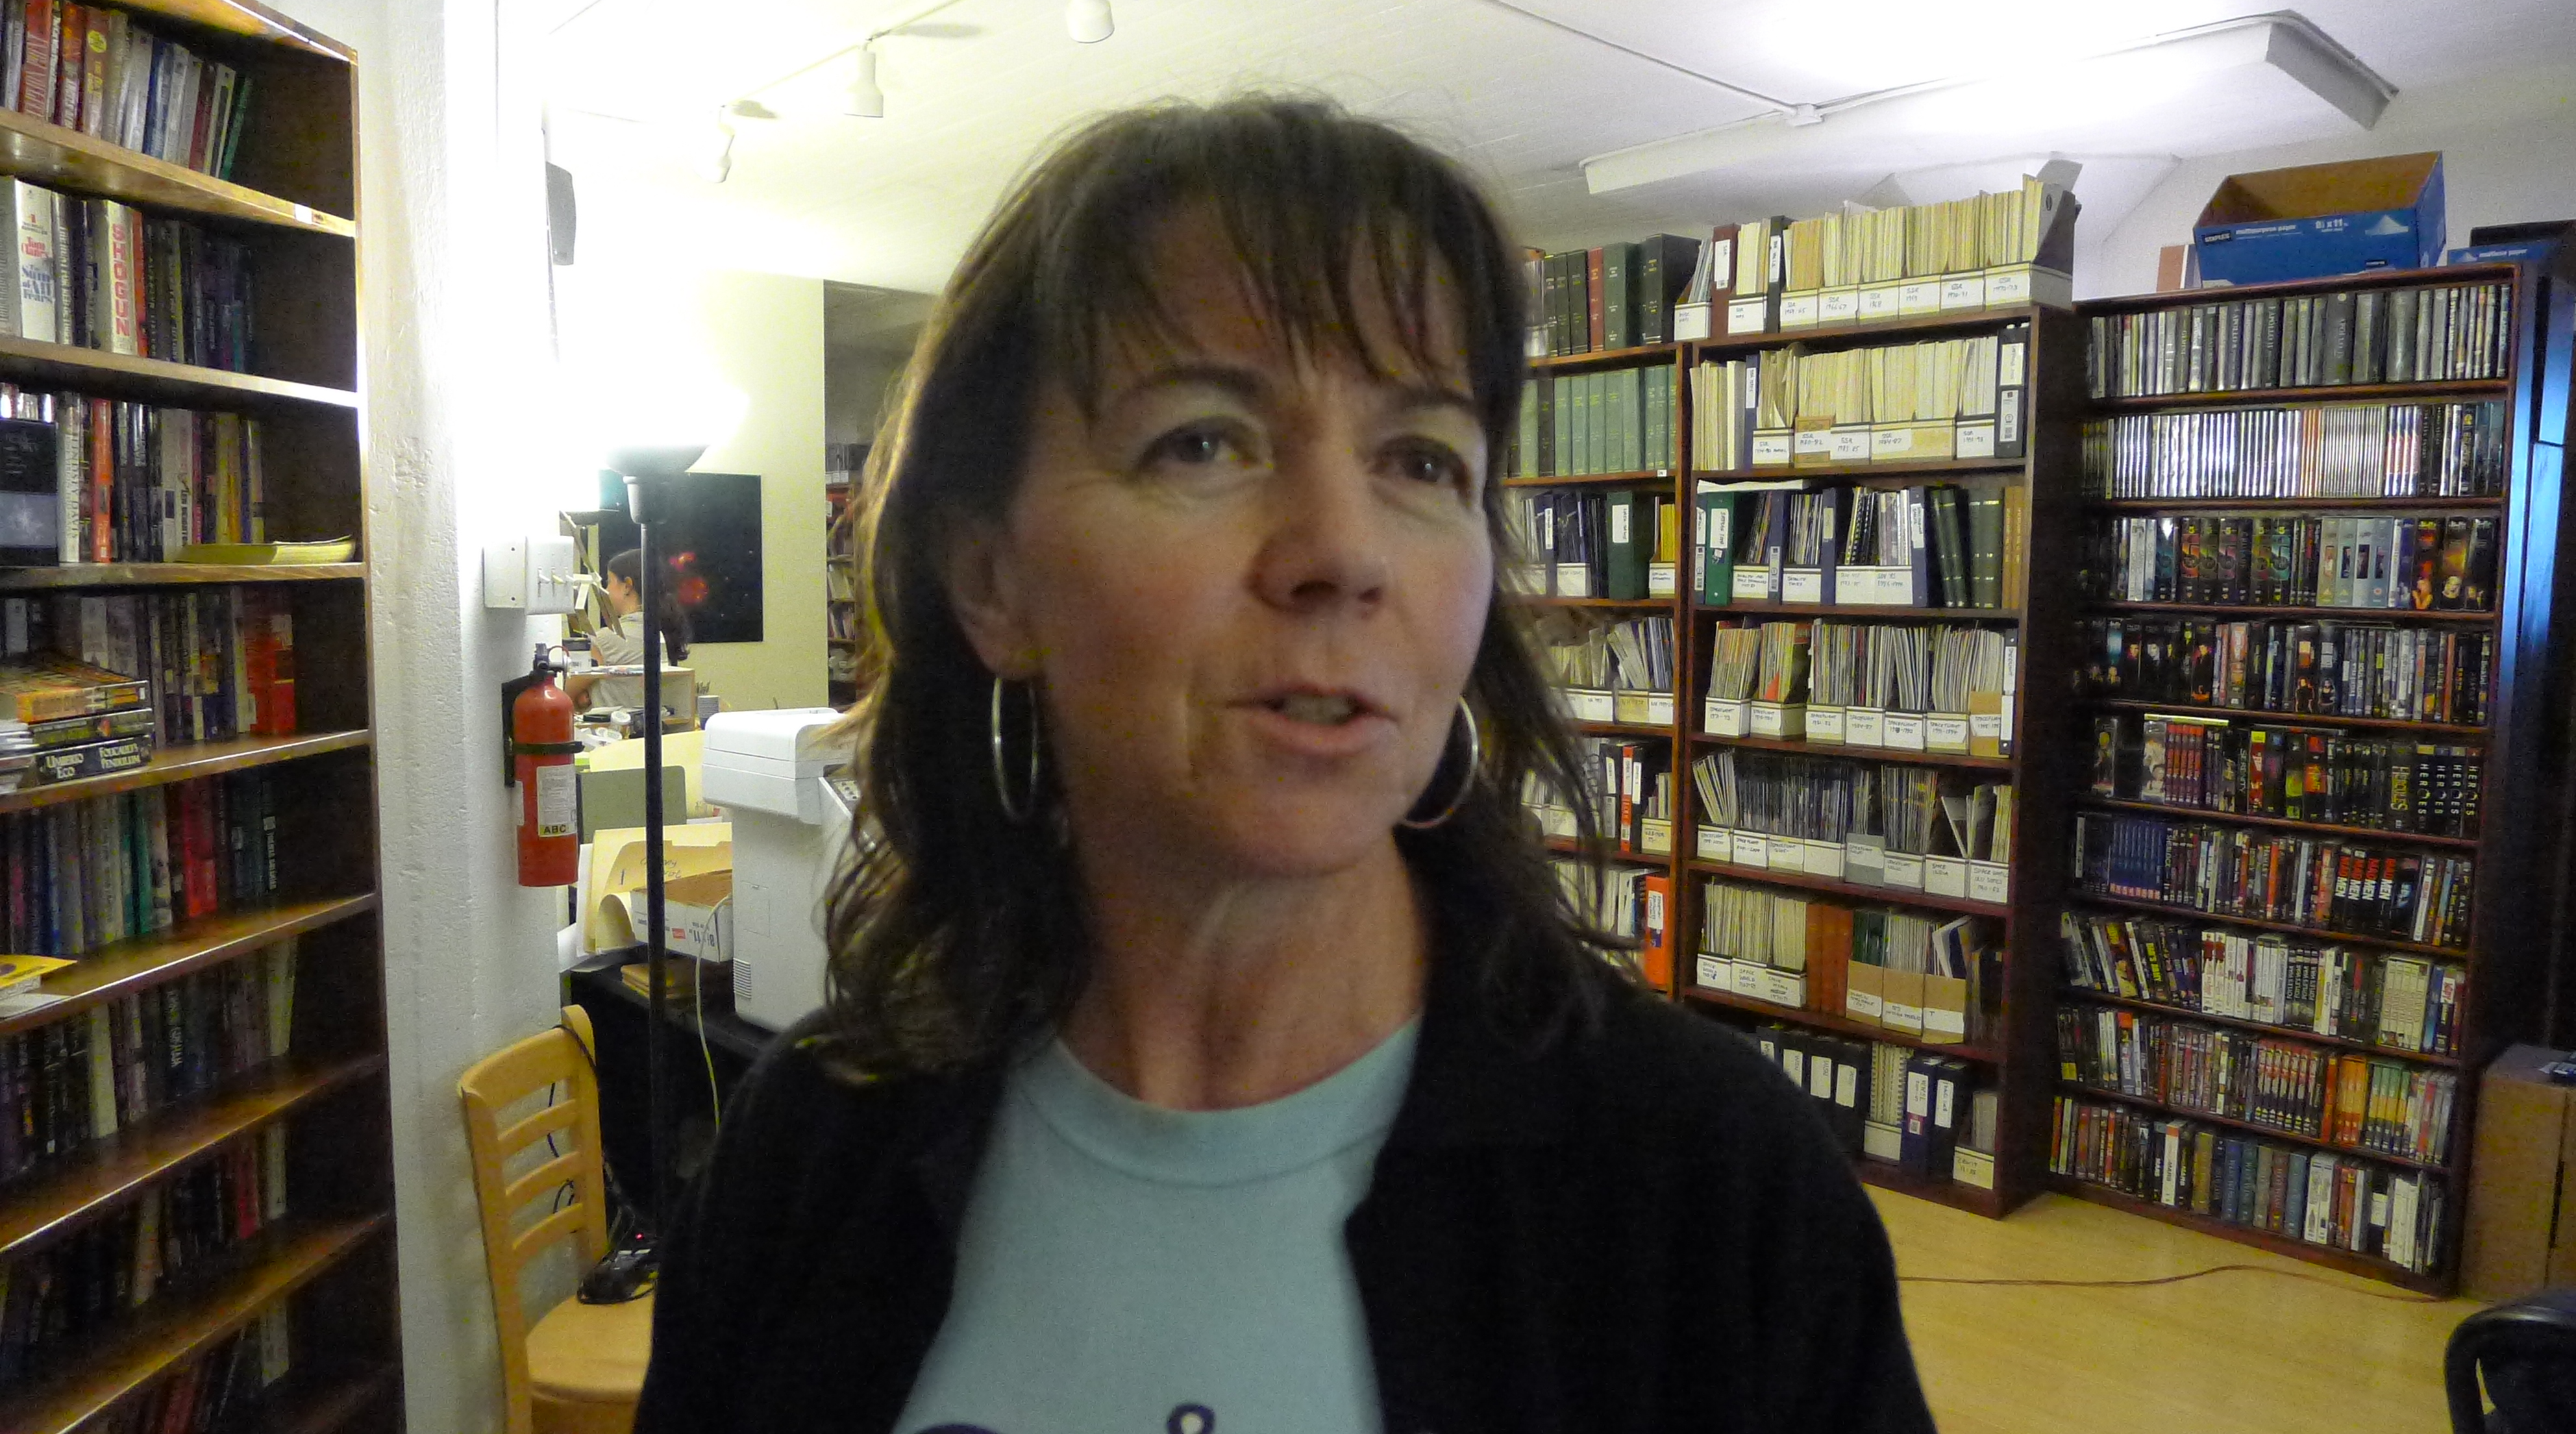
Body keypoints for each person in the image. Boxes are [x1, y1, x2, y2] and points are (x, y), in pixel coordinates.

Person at [634, 97, 1935, 1434]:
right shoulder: (813, 1148)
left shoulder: (1712, 1191)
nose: (1343, 551)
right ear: (989, 579)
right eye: (1202, 441)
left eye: (1420, 460)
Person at [582, 548, 690, 710]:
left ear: (627, 586)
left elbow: (570, 696)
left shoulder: (602, 640)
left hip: (614, 726)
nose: (607, 590)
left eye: (609, 582)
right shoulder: (664, 631)